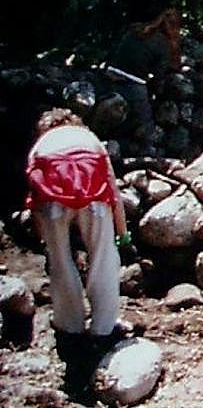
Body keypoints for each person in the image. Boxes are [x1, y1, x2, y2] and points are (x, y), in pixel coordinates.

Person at [25, 108, 129, 390]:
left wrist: (44, 238)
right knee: (103, 257)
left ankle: (69, 325)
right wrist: (122, 233)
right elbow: (113, 190)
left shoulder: (40, 147)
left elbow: (35, 198)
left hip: (54, 201)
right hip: (93, 197)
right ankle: (103, 329)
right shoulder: (89, 138)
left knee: (60, 262)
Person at [105, 8, 183, 147]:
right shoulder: (164, 43)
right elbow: (159, 75)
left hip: (110, 72)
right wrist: (158, 93)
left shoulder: (135, 29)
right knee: (146, 123)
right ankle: (148, 153)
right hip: (133, 81)